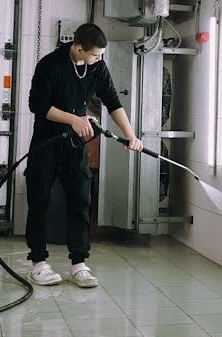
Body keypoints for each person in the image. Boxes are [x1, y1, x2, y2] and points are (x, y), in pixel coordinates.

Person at [25, 23, 143, 288]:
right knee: (39, 201)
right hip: (46, 143)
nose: (99, 59)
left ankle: (79, 265)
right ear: (78, 48)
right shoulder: (50, 65)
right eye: (95, 55)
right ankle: (38, 264)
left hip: (75, 145)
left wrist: (131, 135)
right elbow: (38, 105)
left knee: (80, 200)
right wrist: (74, 119)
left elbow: (112, 101)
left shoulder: (97, 67)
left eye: (101, 55)